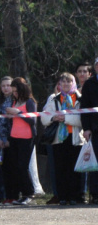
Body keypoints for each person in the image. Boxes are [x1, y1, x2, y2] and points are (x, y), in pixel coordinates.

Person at [41, 73, 85, 205]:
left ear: (73, 83)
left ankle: (75, 196)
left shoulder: (80, 99)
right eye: (63, 81)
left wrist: (66, 118)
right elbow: (44, 117)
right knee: (60, 168)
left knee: (75, 169)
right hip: (59, 139)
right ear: (59, 84)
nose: (66, 84)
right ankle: (62, 197)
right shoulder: (54, 99)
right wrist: (53, 117)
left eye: (69, 81)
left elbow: (83, 119)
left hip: (75, 138)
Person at [1, 77, 37, 205]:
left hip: (27, 137)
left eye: (16, 91)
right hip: (14, 137)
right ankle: (22, 194)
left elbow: (32, 121)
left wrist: (18, 113)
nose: (15, 94)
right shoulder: (14, 101)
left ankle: (29, 193)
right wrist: (11, 116)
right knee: (16, 167)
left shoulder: (30, 102)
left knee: (23, 166)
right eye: (13, 92)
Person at [79, 56, 98, 204]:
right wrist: (86, 128)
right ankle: (95, 194)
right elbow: (84, 107)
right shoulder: (89, 84)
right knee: (95, 163)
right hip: (95, 129)